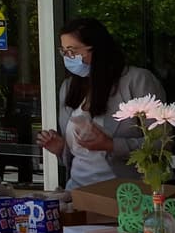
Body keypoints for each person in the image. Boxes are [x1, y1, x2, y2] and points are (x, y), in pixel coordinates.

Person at [35, 17, 166, 189]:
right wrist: (61, 148)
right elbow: (80, 156)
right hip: (77, 192)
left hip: (127, 196)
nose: (68, 58)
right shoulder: (69, 87)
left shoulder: (137, 80)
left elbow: (162, 142)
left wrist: (111, 145)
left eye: (72, 51)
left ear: (96, 49)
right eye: (64, 52)